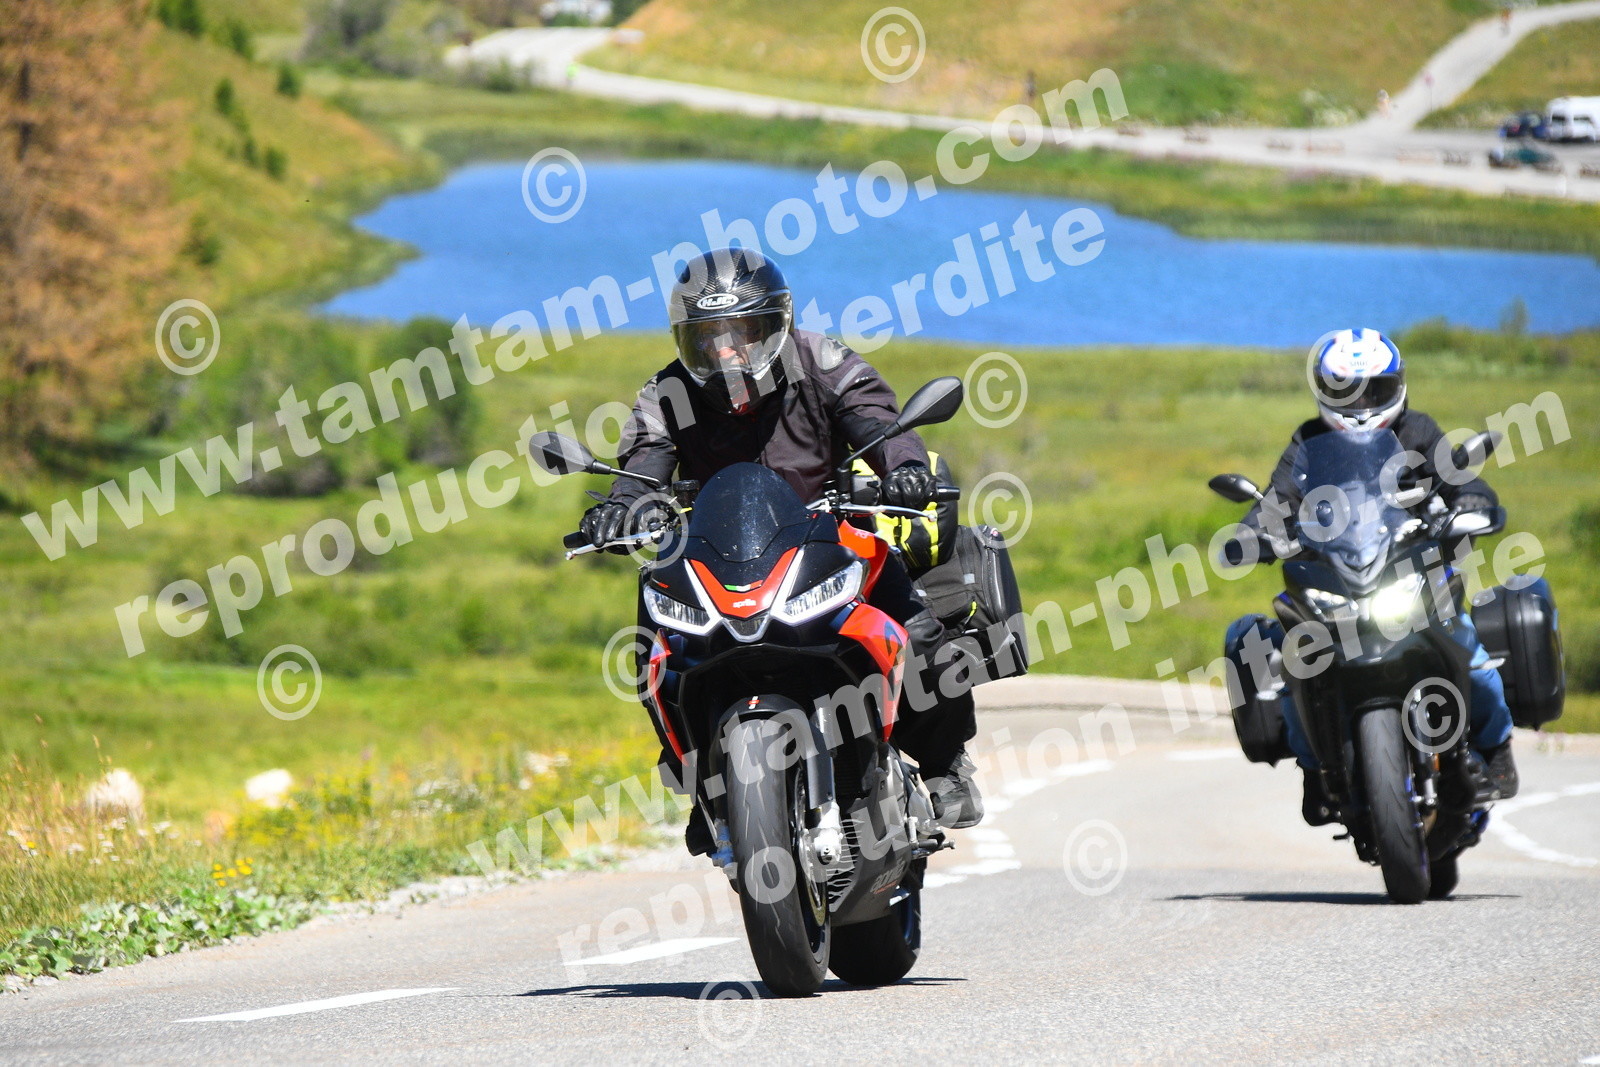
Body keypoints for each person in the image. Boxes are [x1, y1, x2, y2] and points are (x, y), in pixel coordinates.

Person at [578, 247, 983, 829]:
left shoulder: (822, 360)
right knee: (657, 647)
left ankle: (946, 765)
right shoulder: (667, 393)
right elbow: (644, 461)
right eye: (709, 337)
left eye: (741, 333)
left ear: (776, 324)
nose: (726, 352)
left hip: (832, 538)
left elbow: (876, 417)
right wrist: (621, 508)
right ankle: (700, 780)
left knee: (915, 631)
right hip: (719, 557)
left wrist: (905, 468)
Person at [1229, 327, 1517, 825]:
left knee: (1467, 646)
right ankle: (1314, 768)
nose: (1361, 404)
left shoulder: (1418, 431)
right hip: (1337, 576)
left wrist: (1470, 501)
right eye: (1347, 391)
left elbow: (1460, 478)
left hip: (1409, 569)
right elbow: (1279, 499)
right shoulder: (1309, 442)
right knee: (1297, 660)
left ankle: (1496, 748)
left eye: (1373, 390)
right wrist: (1255, 531)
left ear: (1397, 386)